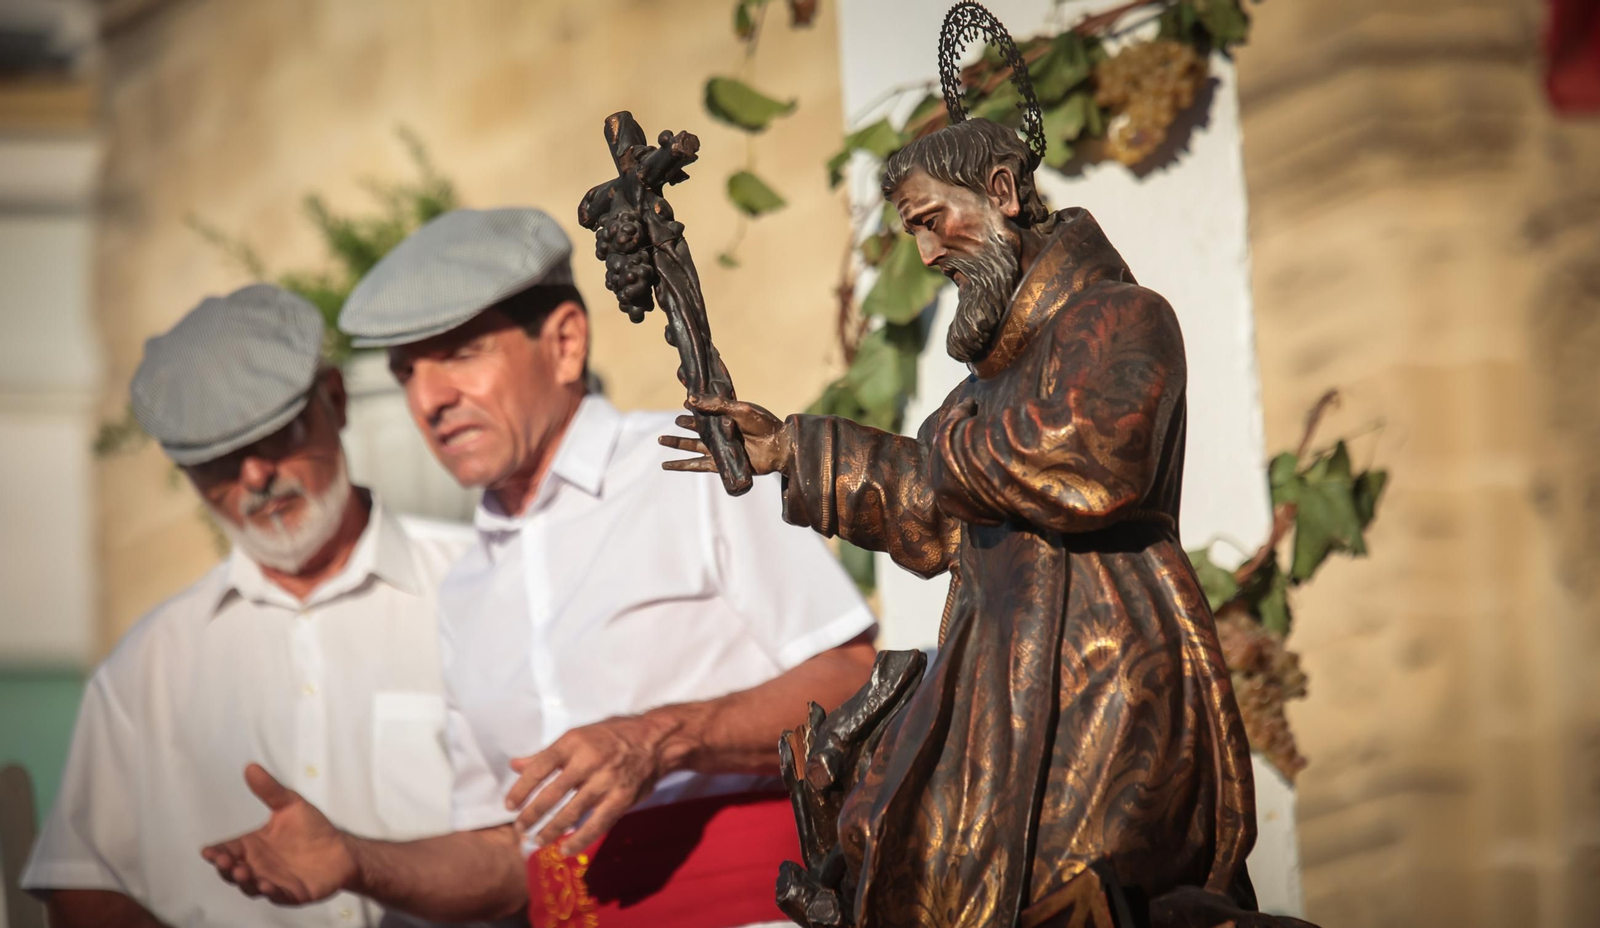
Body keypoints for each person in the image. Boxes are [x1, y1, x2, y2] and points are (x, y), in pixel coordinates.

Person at [660, 114, 1317, 927]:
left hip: (1107, 671)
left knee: (1089, 892)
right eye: (914, 235)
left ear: (1002, 192)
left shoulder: (1121, 317)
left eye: (934, 223)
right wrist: (794, 450)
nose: (929, 256)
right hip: (991, 681)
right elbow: (936, 511)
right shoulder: (984, 389)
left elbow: (1090, 461)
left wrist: (945, 447)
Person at [200, 207, 879, 928]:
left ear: (564, 343)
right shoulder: (465, 585)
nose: (429, 401)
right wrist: (354, 862)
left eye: (461, 355)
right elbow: (507, 863)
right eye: (407, 374)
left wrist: (662, 738)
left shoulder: (688, 466)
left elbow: (857, 681)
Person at [23, 284, 486, 928]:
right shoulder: (149, 665)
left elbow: (550, 854)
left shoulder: (480, 588)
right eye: (216, 459)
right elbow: (81, 888)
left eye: (272, 437)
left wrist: (364, 861)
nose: (253, 478)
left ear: (337, 399)